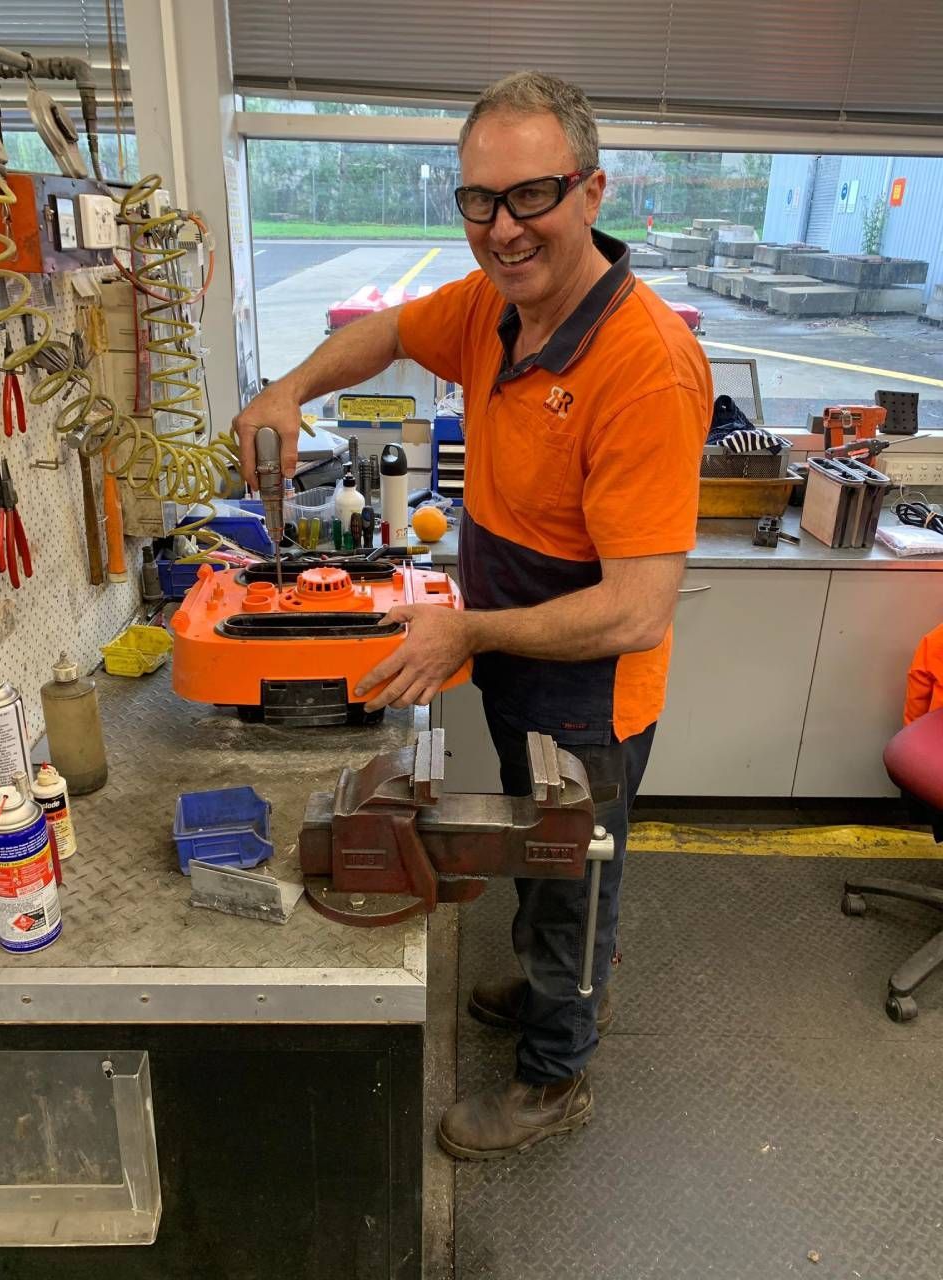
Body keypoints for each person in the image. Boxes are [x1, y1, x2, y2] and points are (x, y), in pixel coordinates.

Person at [233, 70, 712, 1160]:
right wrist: (287, 390)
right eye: (478, 200)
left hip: (590, 670)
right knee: (546, 854)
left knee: (581, 860)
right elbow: (388, 332)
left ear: (594, 190)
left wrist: (471, 630)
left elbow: (637, 609)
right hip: (512, 640)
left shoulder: (645, 367)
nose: (502, 228)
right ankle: (551, 981)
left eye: (531, 196)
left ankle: (559, 1072)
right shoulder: (499, 308)